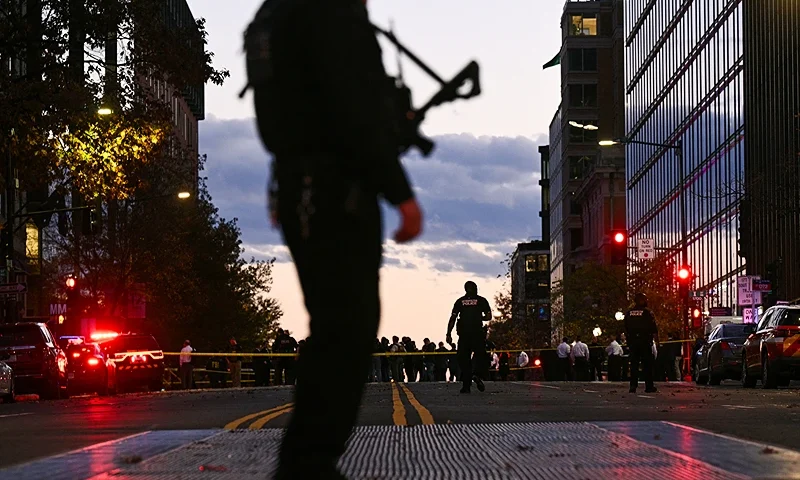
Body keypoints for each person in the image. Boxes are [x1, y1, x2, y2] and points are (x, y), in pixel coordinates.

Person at [446, 281, 492, 394]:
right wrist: (479, 318)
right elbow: (488, 316)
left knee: (463, 359)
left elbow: (453, 318)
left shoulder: (460, 301)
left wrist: (448, 333)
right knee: (480, 356)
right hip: (477, 334)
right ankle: (477, 374)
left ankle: (466, 385)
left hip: (464, 335)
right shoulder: (482, 300)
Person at [624, 293, 659, 394]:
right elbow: (654, 329)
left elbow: (626, 328)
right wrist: (657, 342)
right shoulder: (647, 313)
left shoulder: (629, 313)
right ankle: (649, 386)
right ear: (642, 300)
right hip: (644, 342)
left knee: (634, 365)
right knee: (647, 365)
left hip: (633, 342)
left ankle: (633, 386)